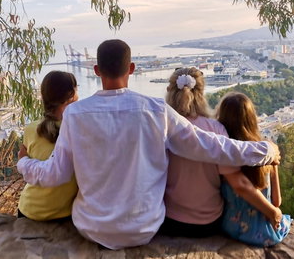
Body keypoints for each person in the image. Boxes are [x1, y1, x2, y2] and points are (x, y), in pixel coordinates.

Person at [17, 39, 280, 250]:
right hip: (145, 229)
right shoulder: (155, 110)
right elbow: (212, 145)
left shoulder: (75, 115)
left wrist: (24, 162)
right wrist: (266, 150)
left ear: (96, 71)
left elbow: (55, 174)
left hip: (90, 228)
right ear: (131, 69)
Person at [162, 68, 283, 239]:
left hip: (169, 219)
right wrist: (272, 212)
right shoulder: (215, 129)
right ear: (201, 93)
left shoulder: (162, 128)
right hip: (207, 223)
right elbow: (238, 183)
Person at [216, 92, 291, 247]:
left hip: (229, 227)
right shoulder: (266, 153)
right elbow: (276, 202)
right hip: (266, 233)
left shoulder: (222, 155)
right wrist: (274, 166)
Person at [17, 70, 79, 221]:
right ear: (72, 95)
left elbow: (25, 159)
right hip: (63, 213)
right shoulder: (78, 130)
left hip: (28, 209)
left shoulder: (31, 129)